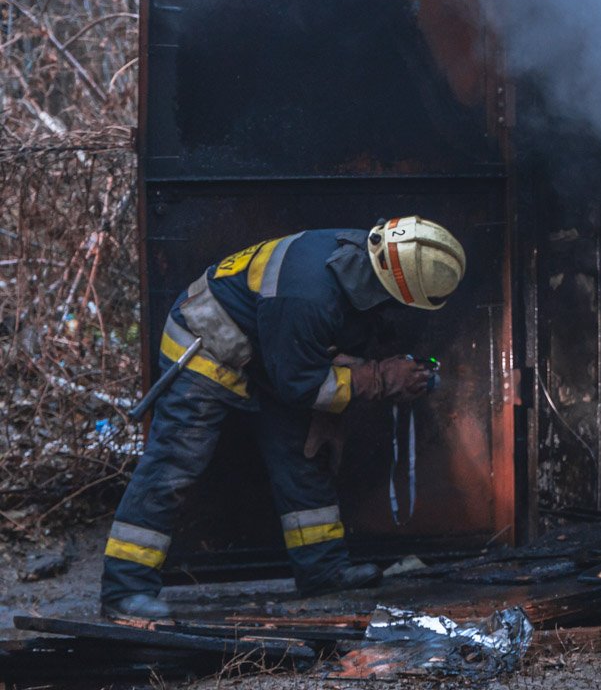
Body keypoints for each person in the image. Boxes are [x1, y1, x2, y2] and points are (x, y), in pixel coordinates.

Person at [100, 217, 466, 619]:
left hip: (270, 352)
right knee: (174, 463)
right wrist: (378, 378)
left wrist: (344, 392)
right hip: (208, 346)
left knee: (305, 453)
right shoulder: (307, 294)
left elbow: (317, 354)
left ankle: (323, 571)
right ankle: (124, 590)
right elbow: (300, 386)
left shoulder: (365, 263)